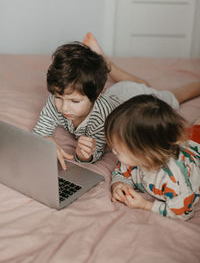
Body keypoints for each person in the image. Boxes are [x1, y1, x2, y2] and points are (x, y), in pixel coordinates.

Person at [33, 32, 200, 170]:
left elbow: (95, 153)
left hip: (132, 97)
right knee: (141, 83)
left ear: (96, 96)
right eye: (59, 98)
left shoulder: (102, 116)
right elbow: (41, 129)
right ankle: (102, 61)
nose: (64, 107)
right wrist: (45, 140)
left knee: (167, 94)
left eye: (74, 101)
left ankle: (105, 62)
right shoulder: (57, 97)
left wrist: (85, 155)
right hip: (117, 93)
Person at [104, 94, 200, 220]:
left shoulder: (174, 179)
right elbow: (120, 172)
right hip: (183, 144)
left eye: (118, 151)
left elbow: (182, 213)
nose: (113, 151)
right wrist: (118, 184)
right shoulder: (134, 158)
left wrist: (146, 205)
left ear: (145, 153)